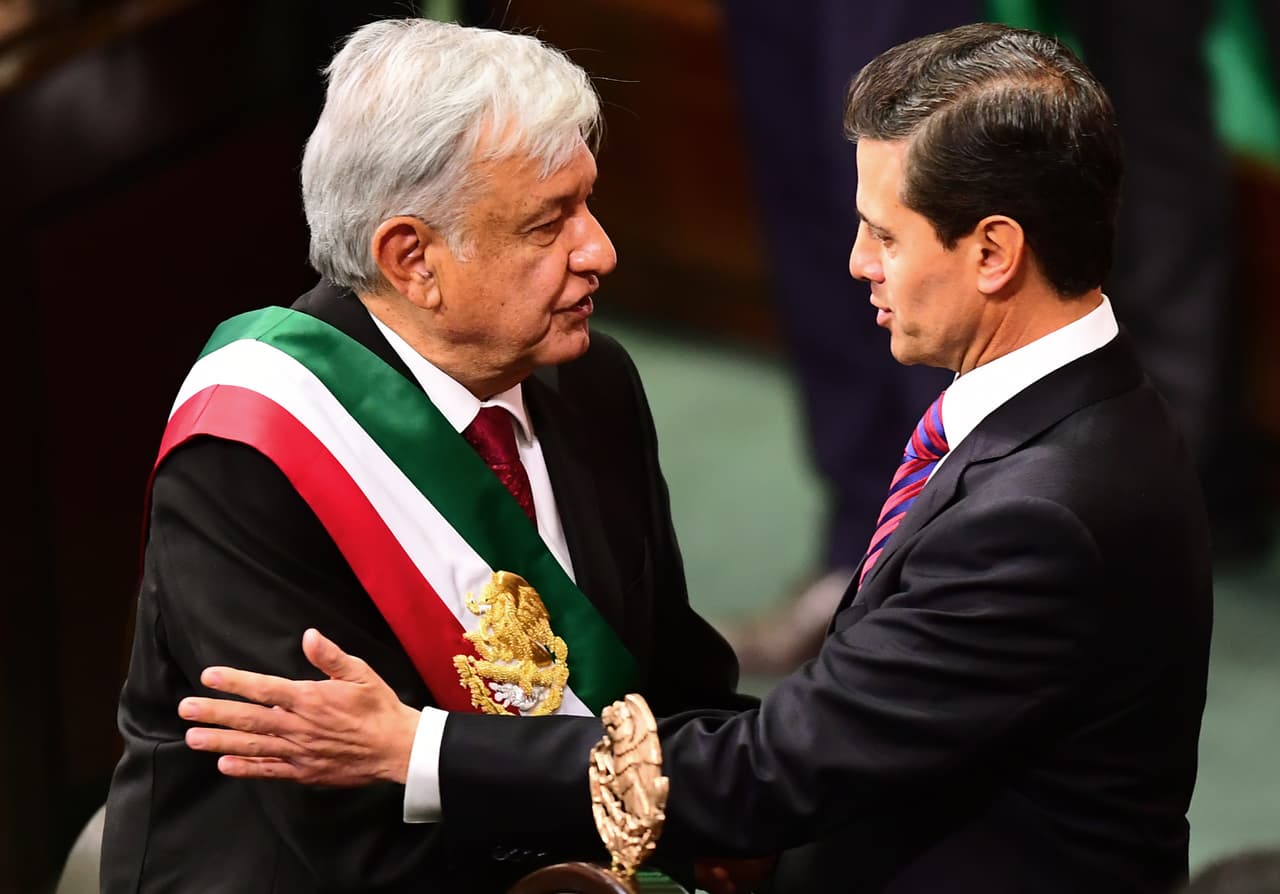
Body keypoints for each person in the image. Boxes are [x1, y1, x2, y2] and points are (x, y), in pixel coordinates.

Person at [180, 23, 1215, 893]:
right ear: (413, 256)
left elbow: (772, 770)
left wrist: (417, 749)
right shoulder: (1055, 417)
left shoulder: (1039, 508)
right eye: (550, 219)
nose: (855, 263)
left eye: (882, 236)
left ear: (992, 253)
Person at [100, 17, 749, 893]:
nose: (600, 250)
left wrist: (752, 809)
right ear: (413, 259)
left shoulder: (591, 380)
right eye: (548, 224)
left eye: (587, 204)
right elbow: (336, 819)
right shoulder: (250, 450)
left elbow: (671, 677)